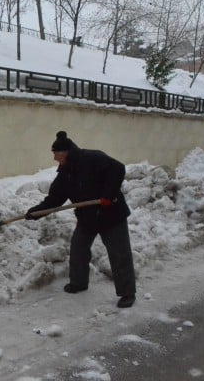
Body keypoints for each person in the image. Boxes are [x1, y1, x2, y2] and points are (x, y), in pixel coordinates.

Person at [25, 131, 136, 308]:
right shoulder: (64, 175)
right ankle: (78, 282)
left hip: (111, 215)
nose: (54, 158)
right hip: (87, 217)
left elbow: (118, 168)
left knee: (119, 254)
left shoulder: (92, 158)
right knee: (78, 249)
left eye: (55, 153)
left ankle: (127, 292)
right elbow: (53, 200)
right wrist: (35, 213)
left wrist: (109, 194)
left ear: (65, 152)